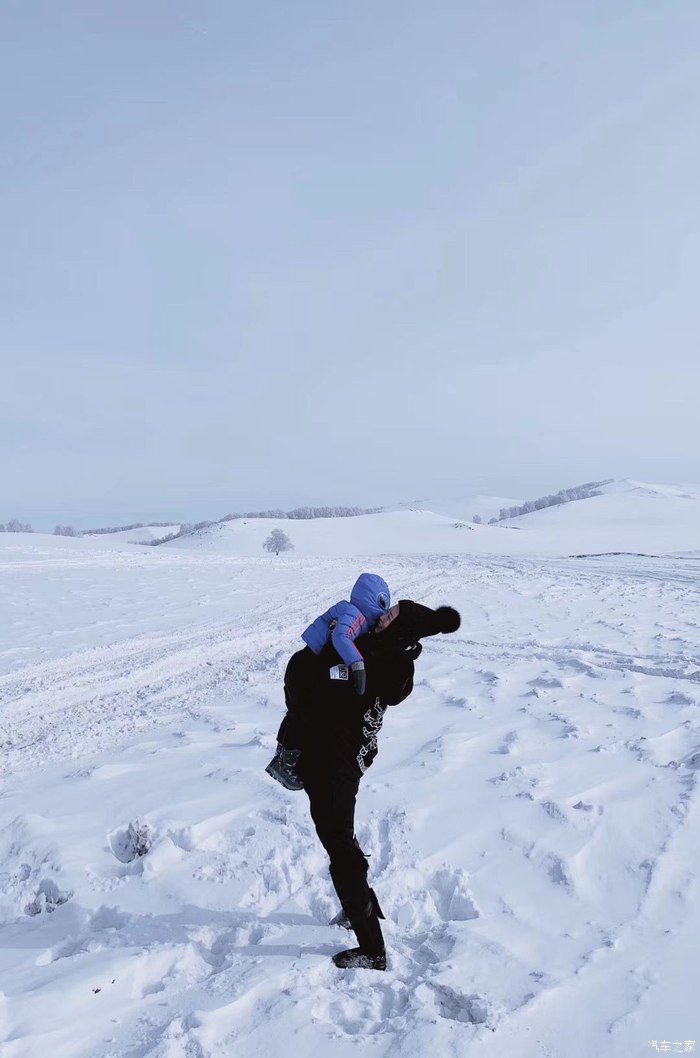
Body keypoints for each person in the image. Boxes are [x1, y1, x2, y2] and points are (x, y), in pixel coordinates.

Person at [267, 599, 461, 971]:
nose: (380, 618)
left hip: (332, 768)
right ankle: (361, 905)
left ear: (400, 632)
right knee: (343, 838)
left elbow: (301, 682)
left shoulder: (369, 659)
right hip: (342, 761)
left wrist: (323, 641)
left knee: (341, 852)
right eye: (386, 611)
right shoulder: (388, 657)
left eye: (389, 617)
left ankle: (372, 948)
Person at [265, 572, 390, 790]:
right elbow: (340, 637)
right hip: (306, 668)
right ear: (373, 600)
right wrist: (357, 666)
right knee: (306, 714)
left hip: (302, 664)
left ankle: (282, 755)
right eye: (383, 607)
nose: (382, 616)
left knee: (297, 713)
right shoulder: (355, 615)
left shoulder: (349, 611)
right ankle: (286, 763)